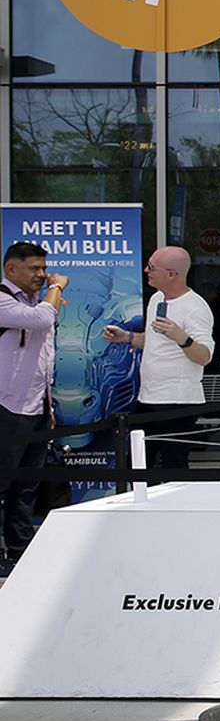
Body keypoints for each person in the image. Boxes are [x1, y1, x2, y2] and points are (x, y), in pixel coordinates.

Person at [102, 246, 215, 477]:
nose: (146, 270)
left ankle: (175, 510)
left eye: (152, 267)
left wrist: (181, 337)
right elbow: (155, 342)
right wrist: (127, 337)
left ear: (172, 274)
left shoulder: (195, 308)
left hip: (178, 400)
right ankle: (141, 506)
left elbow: (204, 356)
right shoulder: (156, 298)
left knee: (174, 463)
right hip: (149, 396)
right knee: (137, 461)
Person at [0, 242, 65, 576]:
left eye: (44, 269)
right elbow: (41, 321)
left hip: (36, 407)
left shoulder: (34, 302)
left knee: (26, 484)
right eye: (34, 269)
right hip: (6, 407)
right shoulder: (3, 299)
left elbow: (44, 356)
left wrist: (48, 405)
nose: (41, 275)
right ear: (11, 269)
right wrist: (56, 287)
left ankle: (20, 550)